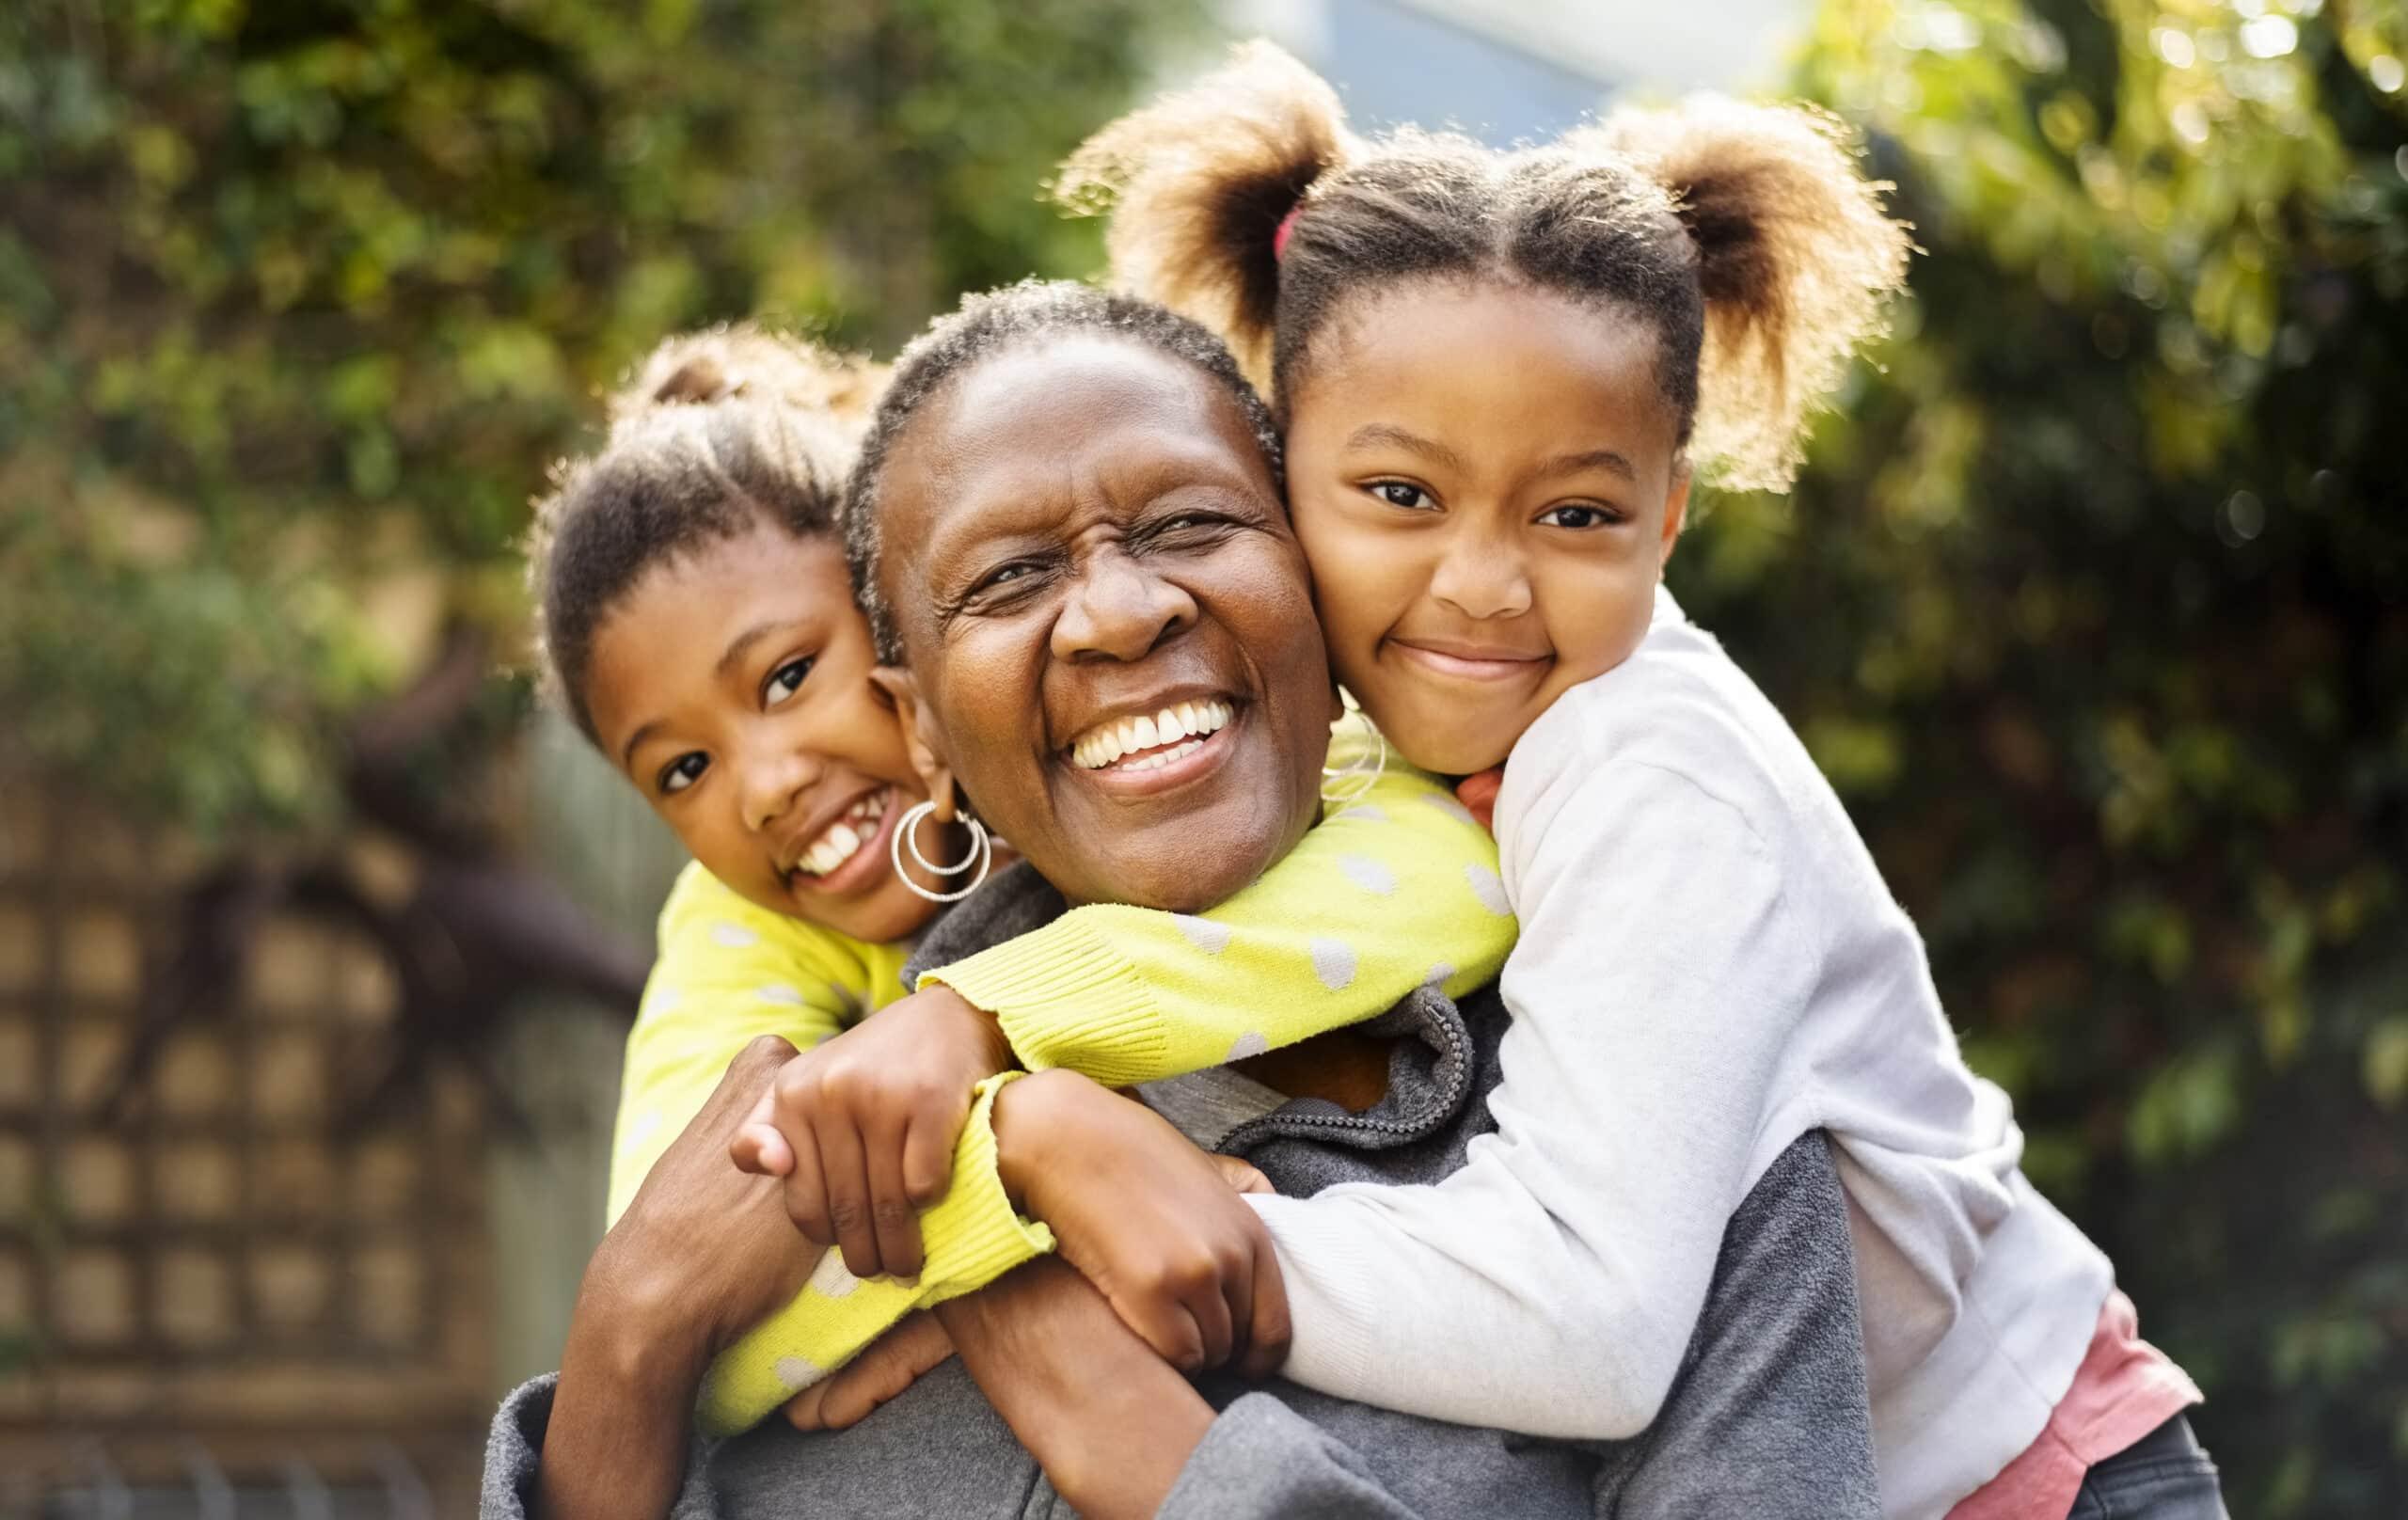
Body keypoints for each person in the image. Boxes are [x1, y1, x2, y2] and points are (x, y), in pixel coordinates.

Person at [1053, 39, 2226, 1520]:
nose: (1481, 585)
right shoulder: (1374, 739)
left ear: (1668, 518)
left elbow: (1592, 1325)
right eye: (1401, 495)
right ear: (1280, 472)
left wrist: (1229, 1242)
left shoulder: (1647, 775)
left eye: (1576, 512)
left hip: (2035, 1484)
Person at [483, 280, 1881, 1520]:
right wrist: (632, 1340)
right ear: (920, 726)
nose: (1117, 611)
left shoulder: (1654, 1115)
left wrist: (1149, 1450)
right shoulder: (837, 1161)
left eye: (1195, 523)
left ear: (1320, 582)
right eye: (1010, 577)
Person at [523, 323, 1514, 1435]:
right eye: (683, 768)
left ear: (903, 619)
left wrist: (990, 1025)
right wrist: (1017, 1188)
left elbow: (1458, 875)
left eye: (792, 674)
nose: (761, 784)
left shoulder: (1258, 739)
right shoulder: (736, 924)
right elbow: (684, 1263)